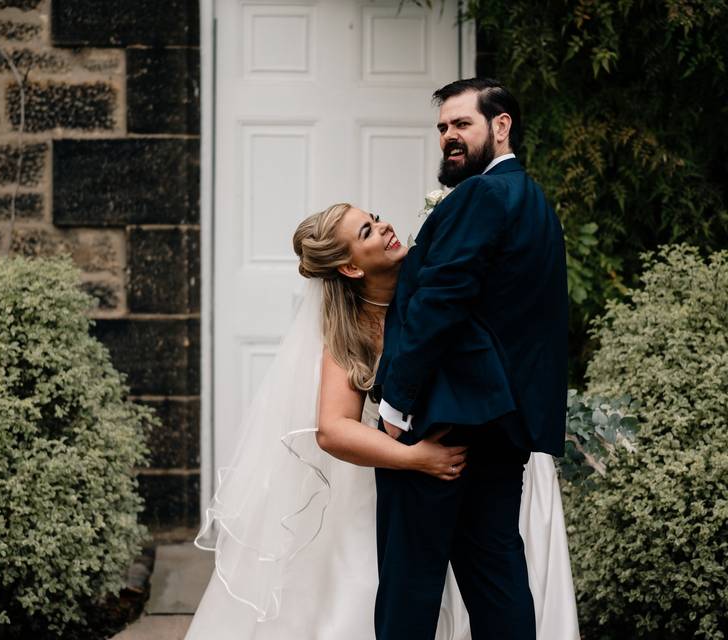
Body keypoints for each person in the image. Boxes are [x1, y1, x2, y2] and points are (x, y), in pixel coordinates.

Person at [186, 201, 578, 638]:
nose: (386, 227)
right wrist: (417, 459)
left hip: (487, 458)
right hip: (400, 478)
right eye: (368, 232)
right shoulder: (351, 330)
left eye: (374, 218)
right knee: (384, 592)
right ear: (352, 269)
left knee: (492, 582)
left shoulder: (441, 276)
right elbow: (332, 429)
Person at [372, 78, 570, 639]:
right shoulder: (532, 201)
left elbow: (441, 300)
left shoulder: (483, 195)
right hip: (502, 425)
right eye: (442, 128)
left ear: (501, 125)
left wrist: (396, 404)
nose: (449, 138)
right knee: (495, 572)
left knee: (411, 579)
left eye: (462, 124)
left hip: (447, 418)